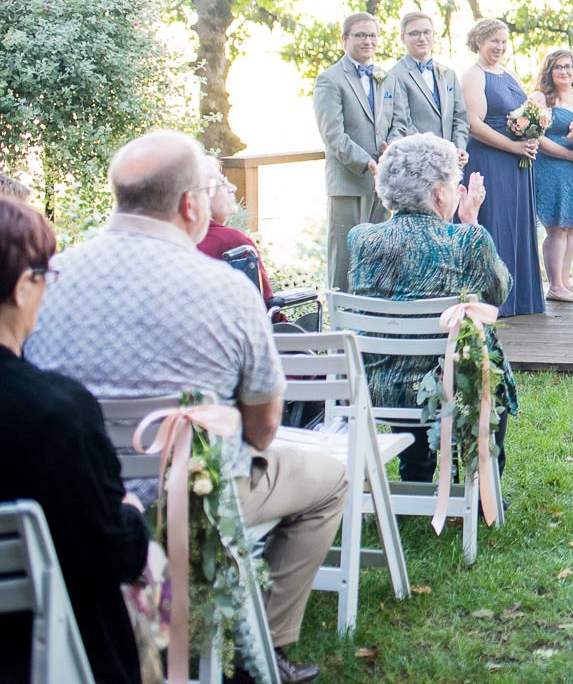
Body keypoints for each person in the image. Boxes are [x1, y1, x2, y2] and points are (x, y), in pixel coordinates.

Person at [27, 131, 346, 684]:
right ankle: (263, 648)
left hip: (77, 503)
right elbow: (265, 427)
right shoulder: (225, 289)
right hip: (197, 496)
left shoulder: (50, 276)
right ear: (190, 204)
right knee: (332, 479)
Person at [0, 198, 150, 684]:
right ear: (24, 286)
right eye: (46, 276)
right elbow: (116, 557)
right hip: (45, 655)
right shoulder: (58, 411)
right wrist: (130, 510)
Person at [349, 135, 518, 482]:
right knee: (481, 364)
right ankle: (483, 481)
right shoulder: (467, 240)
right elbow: (499, 291)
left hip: (377, 384)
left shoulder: (361, 239)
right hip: (448, 384)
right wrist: (470, 220)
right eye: (454, 185)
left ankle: (416, 468)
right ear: (441, 194)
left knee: (407, 368)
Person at [460, 18, 545, 317]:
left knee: (517, 223)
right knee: (495, 222)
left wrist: (533, 132)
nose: (499, 46)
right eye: (493, 40)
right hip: (491, 159)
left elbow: (526, 112)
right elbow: (473, 124)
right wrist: (513, 146)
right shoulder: (474, 75)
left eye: (503, 41)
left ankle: (521, 296)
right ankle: (494, 302)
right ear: (479, 42)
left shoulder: (508, 73)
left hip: (518, 162)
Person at [313, 12, 395, 292]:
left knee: (378, 256)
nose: (368, 41)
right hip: (348, 182)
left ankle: (374, 320)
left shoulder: (385, 77)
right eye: (361, 35)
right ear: (345, 39)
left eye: (373, 35)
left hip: (381, 184)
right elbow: (333, 134)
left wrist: (390, 154)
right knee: (345, 259)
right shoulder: (330, 79)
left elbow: (397, 122)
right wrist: (368, 163)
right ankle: (341, 327)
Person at [529, 49, 573, 303]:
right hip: (553, 167)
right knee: (557, 228)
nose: (564, 71)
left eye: (568, 67)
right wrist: (570, 156)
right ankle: (555, 285)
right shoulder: (540, 98)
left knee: (570, 228)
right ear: (549, 71)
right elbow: (536, 137)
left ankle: (567, 281)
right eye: (558, 67)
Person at [387, 10, 470, 159]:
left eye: (427, 32)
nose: (422, 38)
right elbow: (404, 122)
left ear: (433, 35)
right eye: (414, 33)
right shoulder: (394, 76)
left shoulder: (448, 74)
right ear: (402, 38)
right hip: (418, 161)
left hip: (452, 161)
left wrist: (459, 148)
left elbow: (460, 117)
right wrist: (435, 154)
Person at [194, 156, 273, 302]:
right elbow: (265, 306)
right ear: (201, 197)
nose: (233, 188)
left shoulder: (172, 239)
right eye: (222, 183)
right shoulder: (232, 242)